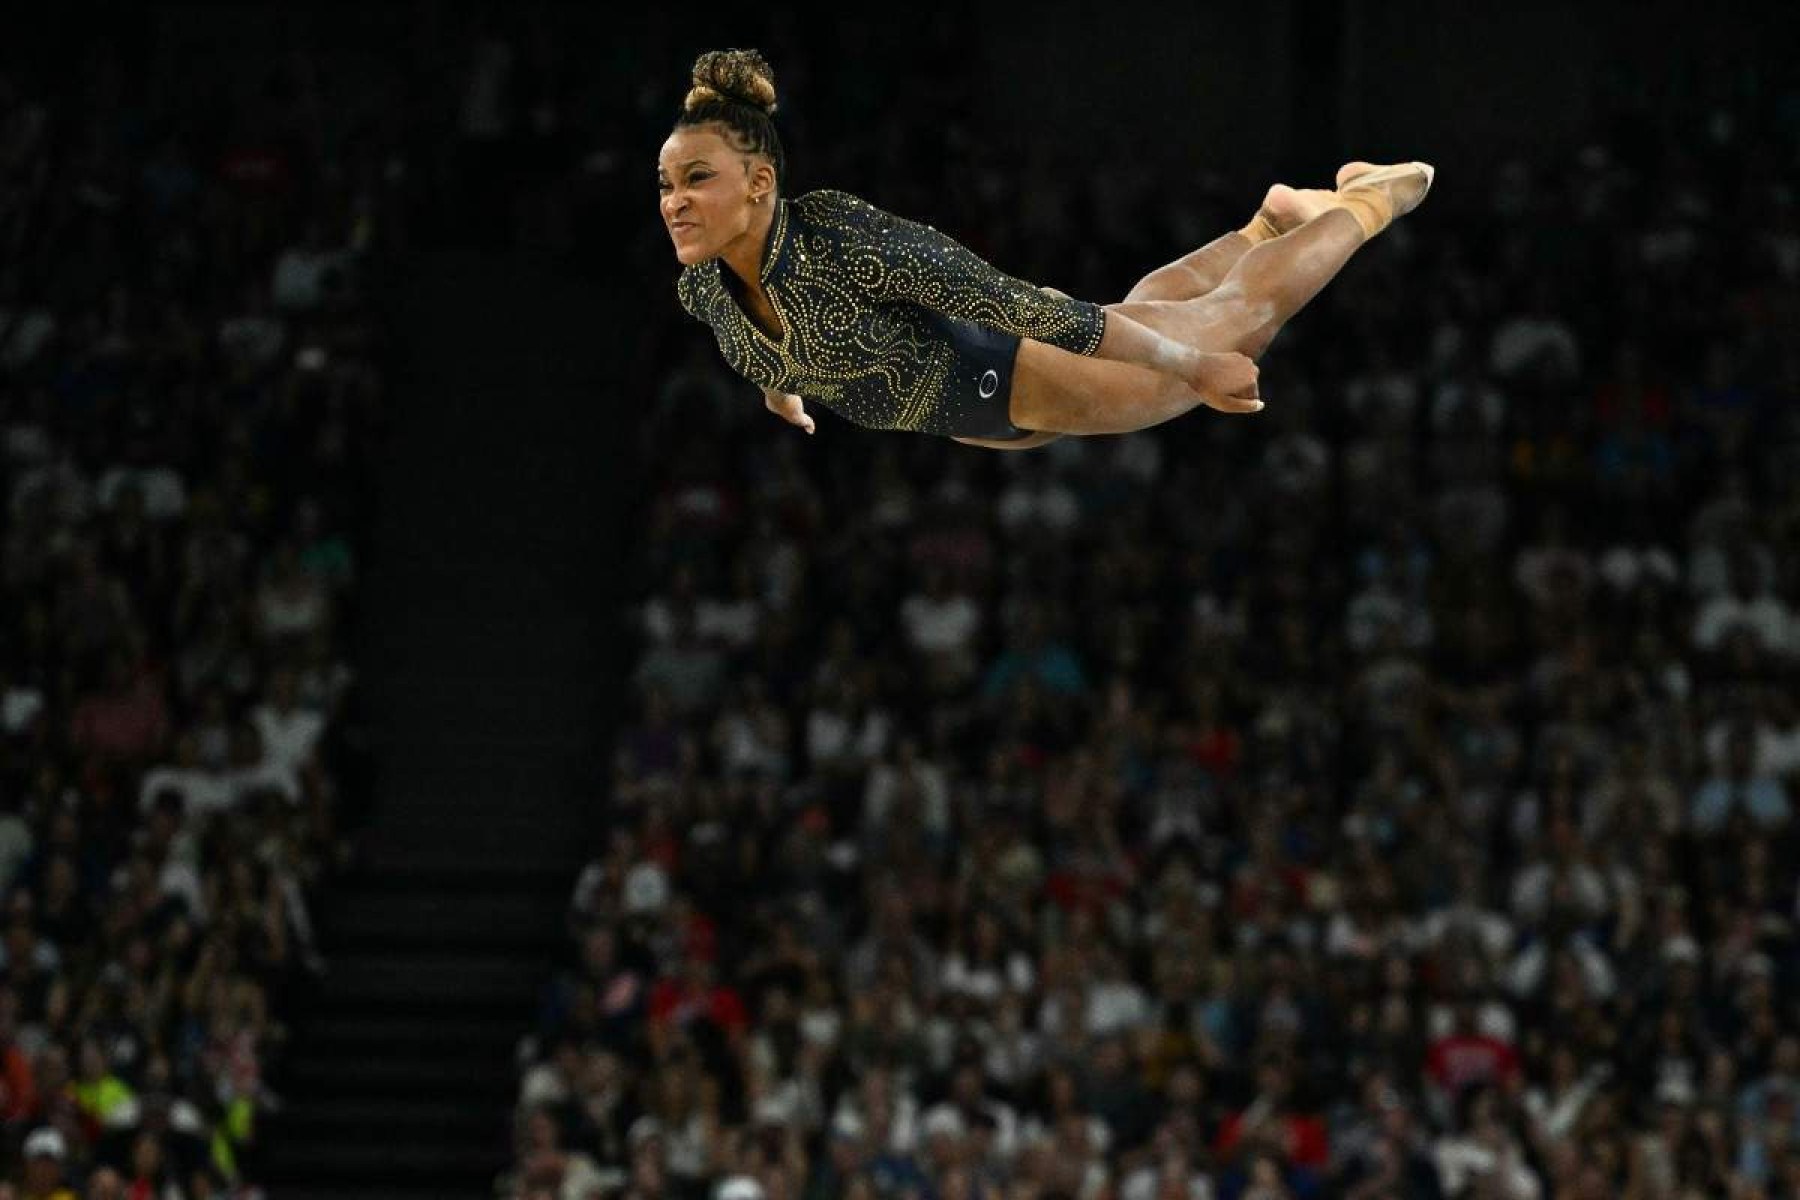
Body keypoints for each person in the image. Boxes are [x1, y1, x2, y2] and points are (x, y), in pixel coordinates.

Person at [660, 49, 1433, 450]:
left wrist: (1194, 368)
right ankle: (1265, 227)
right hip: (987, 418)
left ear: (760, 182)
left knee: (1241, 320)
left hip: (1019, 364)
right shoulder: (705, 289)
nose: (674, 202)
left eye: (697, 178)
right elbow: (776, 347)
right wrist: (782, 387)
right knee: (1150, 311)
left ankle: (1375, 195)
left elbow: (1013, 303)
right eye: (665, 184)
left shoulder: (841, 243)